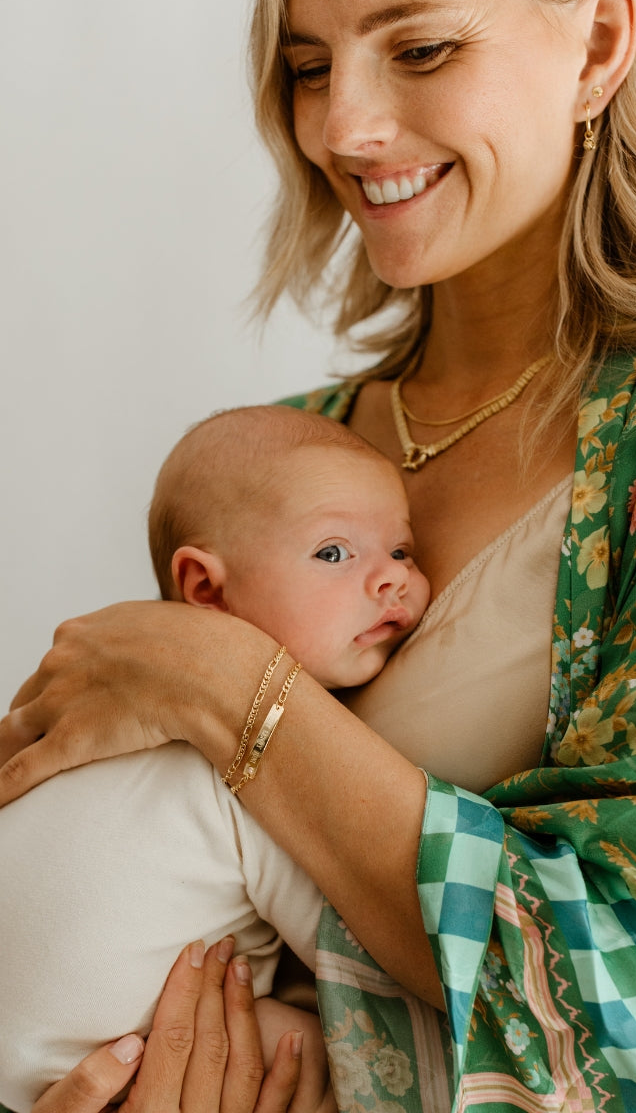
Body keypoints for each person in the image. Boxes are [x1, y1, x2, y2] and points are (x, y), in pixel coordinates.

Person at [2, 0, 636, 1110]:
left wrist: (222, 684)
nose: (339, 126)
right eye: (310, 64)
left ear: (595, 44)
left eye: (419, 50)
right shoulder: (276, 456)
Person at [0, 404, 429, 1113]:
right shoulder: (251, 768)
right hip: (113, 1074)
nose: (390, 579)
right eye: (334, 553)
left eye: (403, 551)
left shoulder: (99, 720)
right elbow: (370, 956)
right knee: (310, 1044)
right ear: (205, 590)